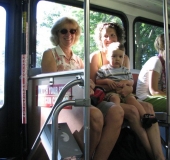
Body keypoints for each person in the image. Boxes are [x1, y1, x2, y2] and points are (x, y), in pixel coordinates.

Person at [41, 17, 124, 160]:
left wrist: (90, 84)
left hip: (83, 99)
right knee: (96, 116)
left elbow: (88, 82)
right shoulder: (50, 54)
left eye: (73, 31)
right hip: (65, 103)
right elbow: (51, 85)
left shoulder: (78, 60)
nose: (69, 35)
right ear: (57, 34)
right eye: (64, 31)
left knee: (117, 111)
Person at [90, 22, 165, 160]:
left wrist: (128, 88)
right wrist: (112, 85)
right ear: (100, 39)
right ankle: (153, 155)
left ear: (118, 37)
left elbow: (128, 81)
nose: (109, 38)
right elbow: (94, 86)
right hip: (107, 97)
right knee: (133, 111)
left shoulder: (124, 58)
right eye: (105, 36)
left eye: (112, 35)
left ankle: (160, 154)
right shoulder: (96, 57)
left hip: (125, 95)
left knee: (148, 107)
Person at [96, 42, 157, 128]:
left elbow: (131, 82)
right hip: (112, 91)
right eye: (114, 56)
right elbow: (97, 81)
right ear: (108, 57)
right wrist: (107, 81)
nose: (117, 59)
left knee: (132, 99)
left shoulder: (125, 70)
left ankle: (145, 116)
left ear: (123, 58)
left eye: (120, 57)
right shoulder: (104, 69)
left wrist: (126, 82)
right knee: (115, 98)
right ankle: (117, 117)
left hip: (125, 91)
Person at [136, 33, 168, 112]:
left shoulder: (165, 64)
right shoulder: (156, 61)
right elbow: (154, 91)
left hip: (153, 97)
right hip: (145, 98)